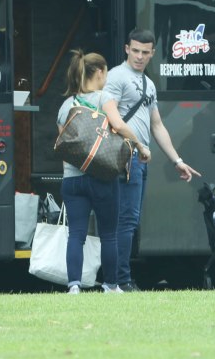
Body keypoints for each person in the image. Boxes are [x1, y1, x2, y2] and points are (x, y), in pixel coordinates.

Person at [102, 29, 202, 291]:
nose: (139, 56)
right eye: (135, 50)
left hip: (140, 157)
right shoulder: (115, 76)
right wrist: (137, 145)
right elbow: (113, 118)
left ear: (153, 54)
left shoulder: (148, 83)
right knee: (126, 220)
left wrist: (177, 160)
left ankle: (119, 279)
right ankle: (119, 281)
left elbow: (157, 125)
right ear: (126, 48)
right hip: (125, 155)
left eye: (145, 52)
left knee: (131, 220)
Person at [57, 50, 150, 294]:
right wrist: (140, 145)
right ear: (99, 72)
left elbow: (64, 144)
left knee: (76, 234)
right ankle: (110, 284)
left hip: (72, 179)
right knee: (108, 234)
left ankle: (74, 285)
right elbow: (118, 125)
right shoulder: (103, 98)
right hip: (102, 177)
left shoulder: (66, 105)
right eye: (106, 72)